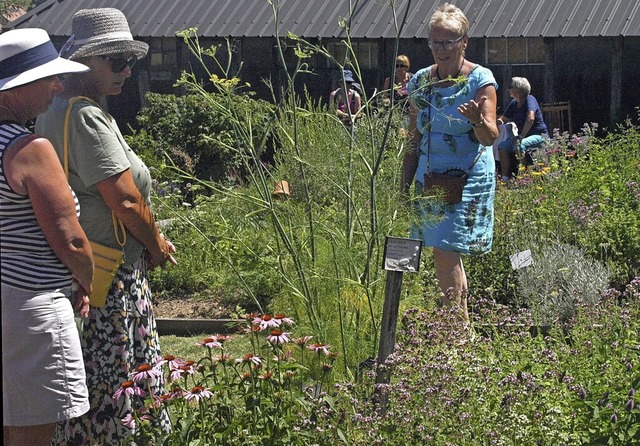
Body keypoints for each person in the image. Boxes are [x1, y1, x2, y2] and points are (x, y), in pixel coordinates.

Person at [35, 8, 177, 444]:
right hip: (111, 275)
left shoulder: (55, 110)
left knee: (92, 383)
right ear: (84, 61)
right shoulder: (85, 117)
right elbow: (126, 199)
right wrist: (156, 244)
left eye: (129, 61)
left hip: (86, 269)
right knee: (116, 385)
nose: (126, 70)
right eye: (115, 61)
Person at [1, 29, 93, 446]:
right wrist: (86, 281)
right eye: (48, 77)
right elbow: (69, 238)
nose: (57, 86)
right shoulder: (29, 148)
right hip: (30, 304)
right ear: (16, 87)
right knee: (32, 429)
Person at [402, 3, 499, 321]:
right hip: (430, 178)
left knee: (445, 249)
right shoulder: (420, 82)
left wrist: (476, 121)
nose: (440, 49)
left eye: (448, 41)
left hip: (467, 179)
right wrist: (404, 184)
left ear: (464, 42)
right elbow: (414, 137)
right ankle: (461, 328)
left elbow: (490, 137)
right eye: (434, 41)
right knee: (441, 250)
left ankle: (457, 334)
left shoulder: (480, 80)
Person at [496, 77, 548, 181]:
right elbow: (504, 118)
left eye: (510, 87)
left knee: (519, 145)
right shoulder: (514, 103)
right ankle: (505, 178)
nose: (508, 89)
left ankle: (525, 176)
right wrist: (494, 123)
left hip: (539, 136)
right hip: (522, 137)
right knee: (502, 146)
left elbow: (530, 118)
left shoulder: (530, 99)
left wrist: (521, 136)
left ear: (517, 89)